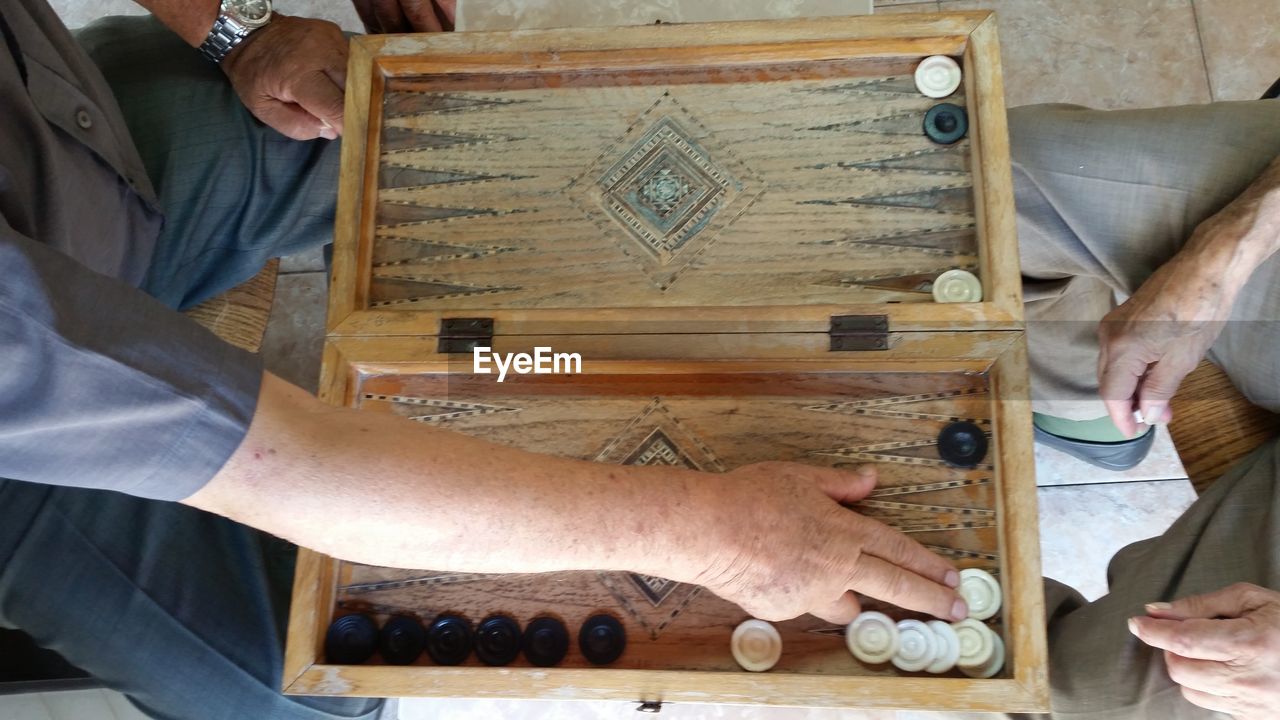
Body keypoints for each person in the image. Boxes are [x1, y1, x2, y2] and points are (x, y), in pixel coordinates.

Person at [0, 2, 962, 718]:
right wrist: (713, 534)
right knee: (295, 688)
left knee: (388, 139)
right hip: (24, 458)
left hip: (65, 154)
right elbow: (285, 457)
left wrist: (232, 28)